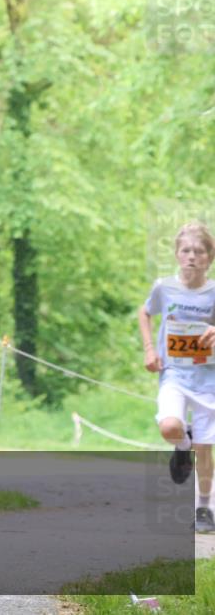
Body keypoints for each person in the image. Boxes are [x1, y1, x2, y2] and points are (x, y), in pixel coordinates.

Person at [138, 222, 215, 533]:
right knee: (169, 426)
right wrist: (148, 350)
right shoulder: (164, 287)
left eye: (199, 251)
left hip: (208, 380)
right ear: (177, 254)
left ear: (210, 257)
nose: (192, 257)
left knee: (205, 449)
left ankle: (203, 507)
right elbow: (145, 313)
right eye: (186, 251)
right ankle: (181, 446)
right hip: (174, 374)